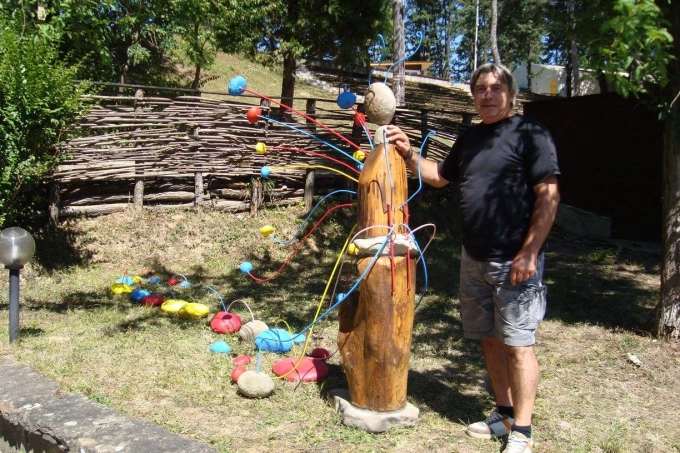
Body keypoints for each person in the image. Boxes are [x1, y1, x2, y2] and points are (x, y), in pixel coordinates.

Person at [386, 63, 561, 453]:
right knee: (489, 340)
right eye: (480, 88)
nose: (488, 95)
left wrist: (530, 252)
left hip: (515, 261)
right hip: (474, 258)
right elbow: (438, 176)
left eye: (496, 88)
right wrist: (409, 153)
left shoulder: (530, 134)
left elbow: (549, 195)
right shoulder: (469, 138)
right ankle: (504, 412)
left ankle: (523, 431)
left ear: (510, 93)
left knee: (518, 345)